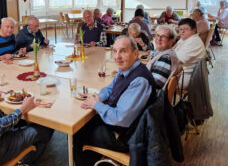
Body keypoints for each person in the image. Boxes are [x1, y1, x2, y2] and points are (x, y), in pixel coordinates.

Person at [73, 35, 156, 166]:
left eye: (123, 51)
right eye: (115, 51)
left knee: (78, 132)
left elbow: (120, 118)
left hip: (124, 136)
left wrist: (96, 105)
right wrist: (100, 97)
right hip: (121, 124)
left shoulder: (140, 80)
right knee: (84, 123)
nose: (117, 56)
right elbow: (110, 88)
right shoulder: (127, 69)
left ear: (135, 53)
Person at [147, 25, 182, 90]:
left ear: (171, 41)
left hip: (150, 96)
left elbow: (156, 84)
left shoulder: (166, 58)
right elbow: (155, 54)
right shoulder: (166, 51)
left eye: (163, 37)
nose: (158, 39)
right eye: (157, 35)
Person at [175, 18, 206, 89]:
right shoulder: (186, 38)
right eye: (180, 29)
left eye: (186, 29)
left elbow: (177, 61)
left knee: (151, 80)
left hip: (183, 78)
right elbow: (173, 49)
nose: (182, 32)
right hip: (180, 73)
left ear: (194, 30)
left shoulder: (193, 42)